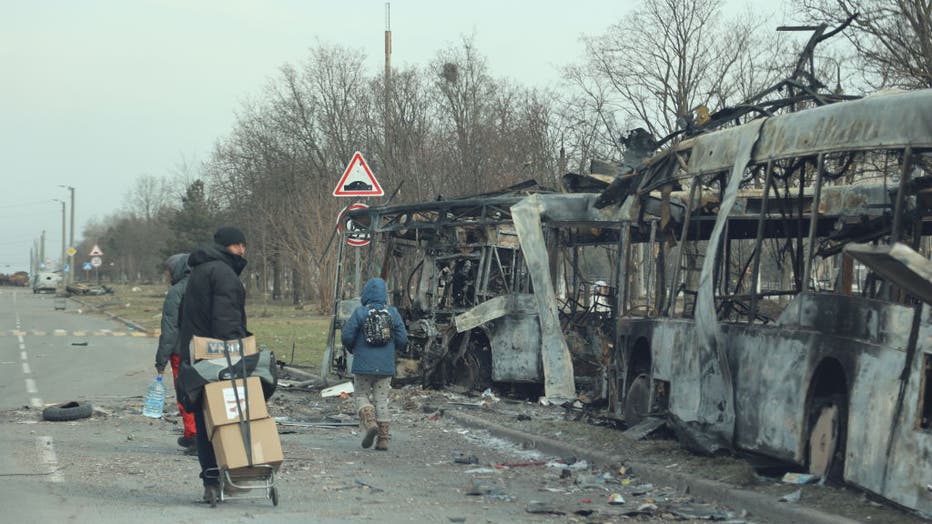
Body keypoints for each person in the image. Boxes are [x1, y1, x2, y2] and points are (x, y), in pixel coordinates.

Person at [179, 226, 249, 504]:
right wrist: (238, 354)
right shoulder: (223, 273)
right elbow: (226, 319)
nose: (243, 250)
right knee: (228, 419)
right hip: (219, 359)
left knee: (204, 420)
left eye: (244, 245)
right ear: (231, 247)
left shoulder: (198, 271)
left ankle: (210, 480)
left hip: (196, 358)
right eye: (239, 245)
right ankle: (234, 474)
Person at [341, 277, 407, 451]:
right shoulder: (392, 313)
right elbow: (402, 338)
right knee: (381, 400)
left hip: (363, 364)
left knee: (361, 395)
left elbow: (347, 336)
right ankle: (383, 439)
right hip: (385, 366)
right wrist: (392, 350)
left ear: (366, 294)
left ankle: (370, 422)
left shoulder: (360, 312)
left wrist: (352, 349)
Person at [154, 253, 195, 452]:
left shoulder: (176, 291)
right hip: (206, 349)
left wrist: (161, 360)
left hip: (181, 351)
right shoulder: (204, 286)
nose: (167, 275)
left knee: (185, 393)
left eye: (168, 271)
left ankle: (192, 435)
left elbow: (170, 328)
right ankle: (203, 435)